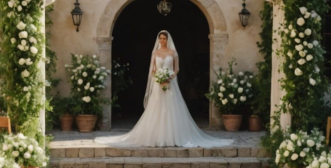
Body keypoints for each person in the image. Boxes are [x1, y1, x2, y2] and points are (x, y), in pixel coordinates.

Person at [95, 30, 233, 148]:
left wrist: (170, 77)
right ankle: (155, 137)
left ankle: (173, 136)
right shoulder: (155, 53)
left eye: (164, 38)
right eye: (160, 38)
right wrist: (159, 78)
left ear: (167, 40)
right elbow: (153, 69)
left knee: (172, 107)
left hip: (171, 83)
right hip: (158, 83)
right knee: (157, 107)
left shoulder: (173, 53)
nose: (162, 40)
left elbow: (177, 68)